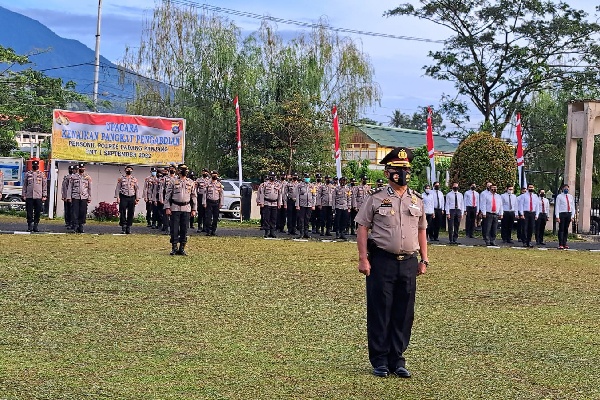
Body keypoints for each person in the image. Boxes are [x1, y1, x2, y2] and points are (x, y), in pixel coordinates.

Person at [355, 146, 428, 379]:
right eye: (398, 169)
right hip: (381, 261)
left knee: (404, 312)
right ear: (387, 172)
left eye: (406, 169)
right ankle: (380, 360)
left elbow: (421, 231)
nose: (403, 173)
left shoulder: (417, 200)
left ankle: (398, 359)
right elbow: (362, 228)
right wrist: (363, 258)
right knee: (380, 310)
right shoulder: (375, 199)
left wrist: (425, 259)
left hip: (408, 262)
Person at [164, 164, 197, 255]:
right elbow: (167, 195)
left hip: (186, 208)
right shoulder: (173, 181)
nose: (184, 171)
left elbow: (194, 196)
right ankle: (174, 248)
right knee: (174, 229)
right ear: (178, 171)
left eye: (185, 170)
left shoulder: (191, 182)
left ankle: (182, 248)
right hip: (175, 207)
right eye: (182, 169)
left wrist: (194, 209)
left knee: (184, 229)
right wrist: (167, 207)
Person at [66, 163, 92, 233]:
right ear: (78, 169)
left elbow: (89, 188)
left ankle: (81, 226)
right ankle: (75, 226)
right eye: (80, 168)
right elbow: (70, 188)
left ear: (84, 169)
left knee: (83, 212)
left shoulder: (87, 177)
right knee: (75, 212)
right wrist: (69, 197)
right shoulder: (73, 177)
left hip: (84, 197)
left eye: (83, 168)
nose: (81, 169)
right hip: (75, 197)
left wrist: (89, 197)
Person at [22, 160, 47, 232]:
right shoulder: (28, 174)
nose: (35, 167)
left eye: (36, 165)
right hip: (29, 196)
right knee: (29, 211)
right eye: (34, 165)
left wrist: (44, 195)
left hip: (38, 196)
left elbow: (44, 185)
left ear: (38, 166)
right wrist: (24, 194)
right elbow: (25, 185)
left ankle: (36, 225)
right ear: (32, 166)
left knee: (38, 211)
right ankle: (30, 225)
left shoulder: (42, 174)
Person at [115, 165, 140, 234]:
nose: (129, 170)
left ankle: (128, 226)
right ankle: (123, 226)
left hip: (132, 197)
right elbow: (117, 188)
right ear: (125, 170)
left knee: (131, 212)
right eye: (127, 169)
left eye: (130, 169)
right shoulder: (121, 178)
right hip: (123, 196)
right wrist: (117, 197)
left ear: (132, 171)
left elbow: (137, 189)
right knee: (122, 211)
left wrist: (137, 198)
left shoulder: (134, 179)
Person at [257, 171, 282, 238]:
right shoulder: (264, 184)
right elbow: (262, 194)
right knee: (266, 218)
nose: (272, 177)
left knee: (273, 218)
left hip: (274, 203)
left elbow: (280, 194)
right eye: (271, 176)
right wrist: (261, 202)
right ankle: (266, 232)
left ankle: (272, 232)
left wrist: (279, 203)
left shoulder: (278, 185)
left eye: (273, 176)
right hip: (267, 203)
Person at [295, 173, 317, 238]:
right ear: (304, 178)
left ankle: (306, 233)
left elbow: (314, 196)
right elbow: (297, 195)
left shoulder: (312, 186)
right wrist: (297, 205)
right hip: (302, 205)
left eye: (308, 177)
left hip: (309, 205)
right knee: (301, 219)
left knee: (307, 219)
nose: (307, 178)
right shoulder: (300, 185)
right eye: (306, 177)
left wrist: (313, 205)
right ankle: (301, 233)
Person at [518, 183, 539, 248]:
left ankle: (529, 241)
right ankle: (524, 241)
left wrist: (537, 214)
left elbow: (537, 206)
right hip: (526, 213)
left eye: (532, 187)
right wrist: (521, 213)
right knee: (525, 228)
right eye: (530, 187)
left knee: (531, 228)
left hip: (532, 213)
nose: (531, 189)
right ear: (527, 188)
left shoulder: (535, 196)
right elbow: (521, 205)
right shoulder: (524, 196)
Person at [203, 170, 223, 236]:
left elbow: (221, 194)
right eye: (213, 174)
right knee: (208, 218)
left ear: (217, 175)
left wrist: (221, 203)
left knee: (215, 218)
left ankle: (213, 231)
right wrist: (204, 202)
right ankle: (208, 231)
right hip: (209, 203)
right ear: (211, 175)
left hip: (216, 203)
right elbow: (204, 193)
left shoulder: (219, 184)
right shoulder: (208, 184)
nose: (214, 175)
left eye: (215, 174)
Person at [555, 184, 575, 249]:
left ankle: (565, 243)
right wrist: (557, 216)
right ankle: (560, 244)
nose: (566, 189)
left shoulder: (570, 197)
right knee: (561, 229)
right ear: (562, 189)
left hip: (568, 214)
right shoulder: (559, 196)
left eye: (567, 188)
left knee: (566, 229)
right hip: (562, 214)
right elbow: (557, 206)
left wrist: (572, 216)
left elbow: (572, 207)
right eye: (565, 188)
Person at [61, 165, 76, 229]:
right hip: (66, 197)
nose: (71, 170)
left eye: (72, 169)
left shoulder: (75, 178)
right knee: (67, 210)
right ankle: (67, 222)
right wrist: (64, 196)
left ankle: (72, 223)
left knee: (72, 211)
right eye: (70, 169)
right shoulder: (66, 177)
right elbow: (64, 188)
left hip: (73, 197)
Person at [196, 168, 210, 233]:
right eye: (204, 172)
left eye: (206, 172)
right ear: (202, 172)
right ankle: (199, 227)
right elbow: (195, 189)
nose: (205, 173)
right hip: (200, 196)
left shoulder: (209, 180)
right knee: (200, 213)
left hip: (207, 198)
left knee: (206, 213)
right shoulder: (198, 180)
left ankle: (205, 227)